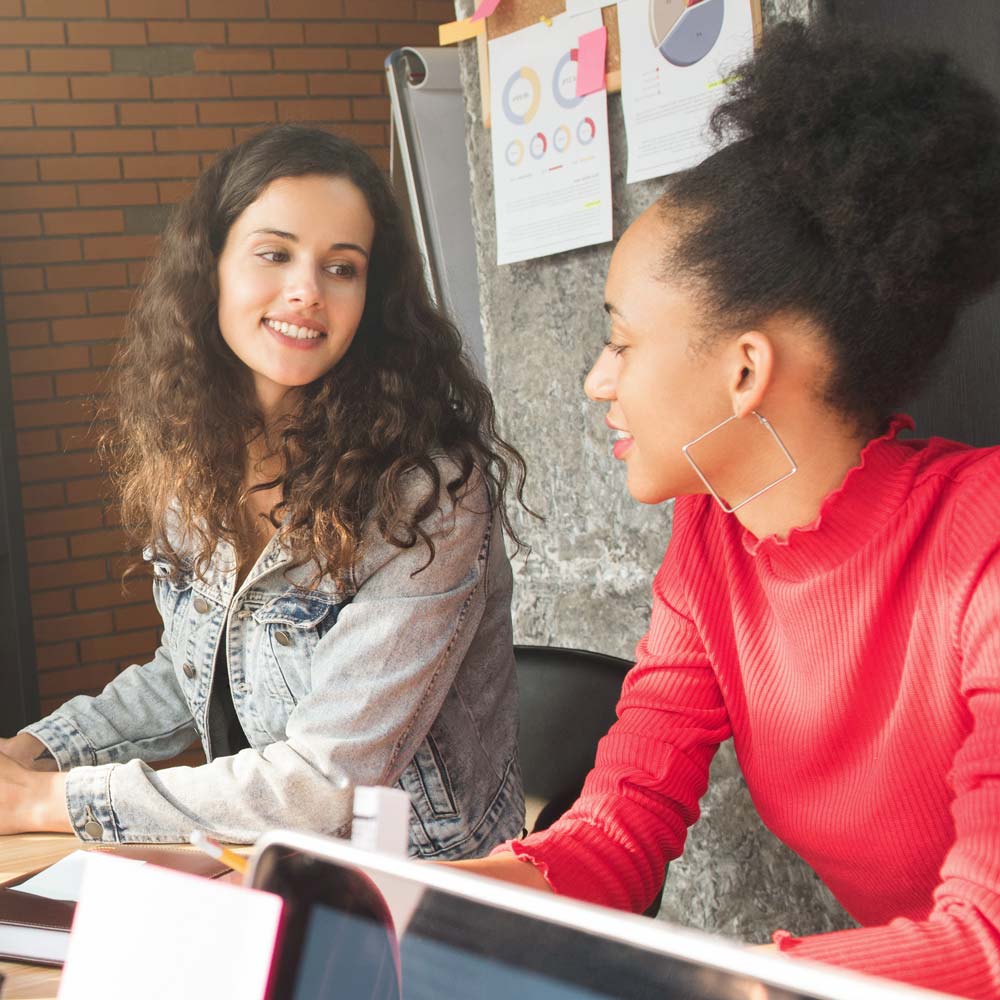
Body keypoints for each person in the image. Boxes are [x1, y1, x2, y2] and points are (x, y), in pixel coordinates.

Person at [456, 22, 1000, 1000]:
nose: (595, 381)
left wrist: (724, 983)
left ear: (744, 368)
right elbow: (624, 817)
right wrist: (454, 900)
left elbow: (986, 942)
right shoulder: (713, 543)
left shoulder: (985, 542)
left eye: (621, 341)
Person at [0, 124, 526, 856]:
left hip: (432, 883)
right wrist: (34, 753)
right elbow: (188, 669)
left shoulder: (427, 492)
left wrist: (51, 801)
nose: (307, 290)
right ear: (211, 268)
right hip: (264, 856)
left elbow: (326, 781)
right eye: (275, 254)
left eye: (342, 268)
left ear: (370, 298)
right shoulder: (197, 462)